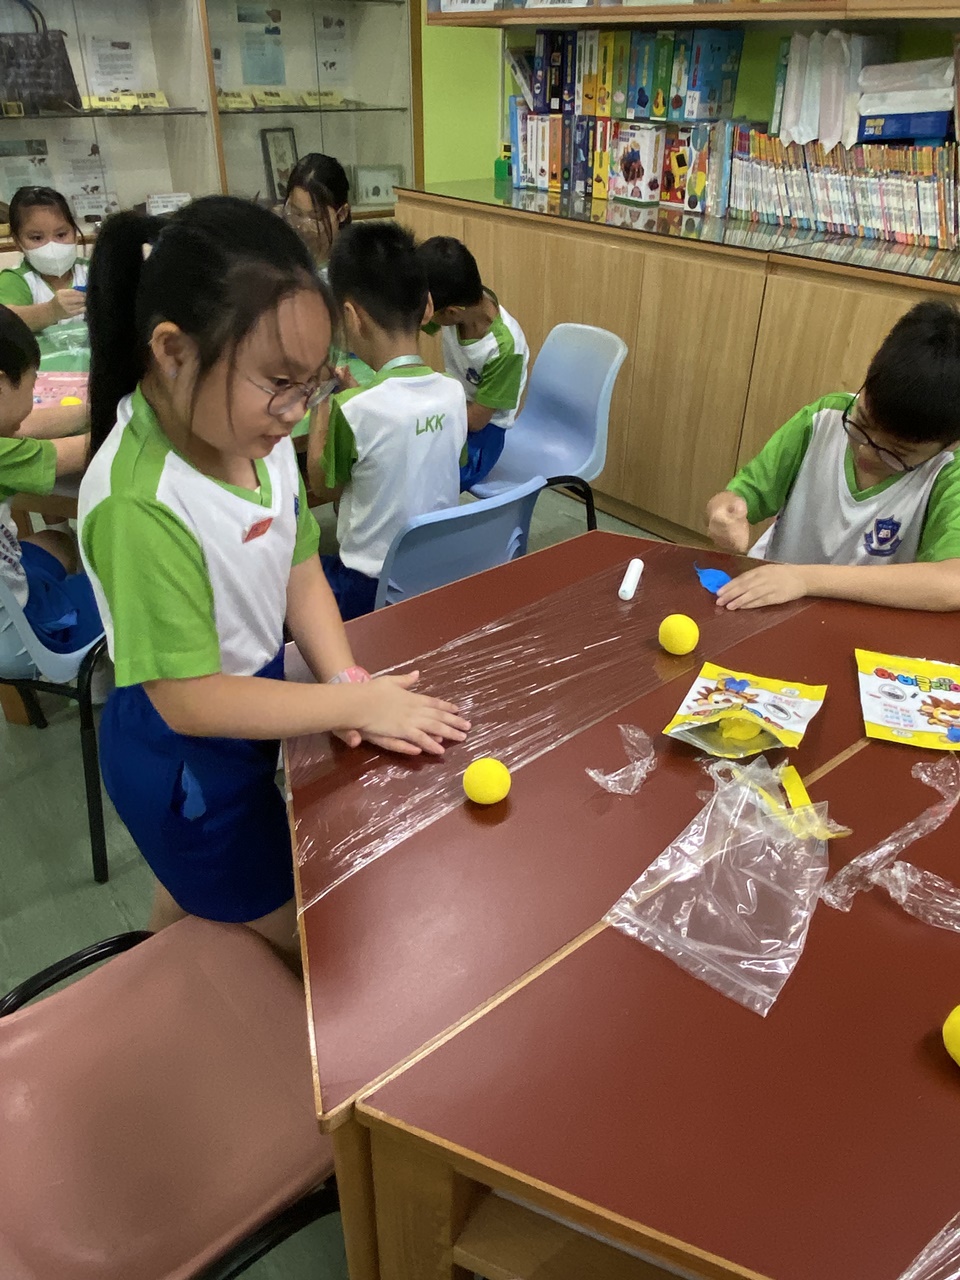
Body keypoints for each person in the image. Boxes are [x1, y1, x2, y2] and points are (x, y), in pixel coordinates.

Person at [79, 196, 470, 963]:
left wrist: (347, 678)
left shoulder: (252, 436)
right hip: (184, 755)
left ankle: (158, 970)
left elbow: (300, 569)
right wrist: (351, 703)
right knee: (305, 949)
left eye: (313, 384)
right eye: (280, 382)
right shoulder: (139, 503)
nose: (297, 410)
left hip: (245, 707)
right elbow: (191, 698)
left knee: (196, 901)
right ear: (173, 351)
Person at [706, 300, 960, 613]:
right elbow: (741, 497)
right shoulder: (824, 418)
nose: (866, 451)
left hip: (861, 618)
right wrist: (724, 511)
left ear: (950, 445)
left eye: (896, 453)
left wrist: (804, 579)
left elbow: (952, 583)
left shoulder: (949, 472)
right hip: (774, 603)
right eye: (861, 423)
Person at [307, 221, 468, 621]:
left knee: (290, 578)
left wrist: (321, 400)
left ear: (350, 316)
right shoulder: (453, 394)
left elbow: (321, 485)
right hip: (438, 580)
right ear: (427, 306)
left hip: (368, 589)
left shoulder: (354, 409)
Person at [0, 305, 99, 653]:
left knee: (59, 542)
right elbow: (84, 450)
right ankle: (94, 674)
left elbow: (22, 426)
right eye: (32, 384)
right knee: (129, 586)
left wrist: (93, 408)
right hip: (20, 637)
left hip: (12, 584)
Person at [417, 235, 529, 489]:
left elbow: (477, 421)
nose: (424, 317)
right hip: (455, 407)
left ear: (451, 312)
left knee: (429, 478)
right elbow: (404, 328)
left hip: (484, 433)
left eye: (428, 311)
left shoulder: (504, 349)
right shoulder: (463, 300)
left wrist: (429, 406)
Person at [0, 186, 88, 334]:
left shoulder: (91, 271)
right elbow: (4, 323)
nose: (52, 246)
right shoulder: (15, 279)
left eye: (61, 235)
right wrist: (50, 311)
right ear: (18, 242)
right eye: (37, 238)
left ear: (75, 233)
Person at [282, 153, 351, 275]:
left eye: (315, 217)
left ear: (342, 214)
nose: (303, 227)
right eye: (297, 214)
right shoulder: (280, 261)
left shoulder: (354, 268)